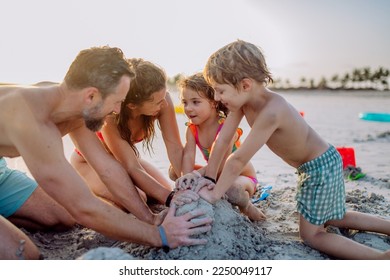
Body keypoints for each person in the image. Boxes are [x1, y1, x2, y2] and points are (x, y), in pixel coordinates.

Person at [177, 40, 390, 260]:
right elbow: (223, 140)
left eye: (220, 91)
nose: (217, 98)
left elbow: (238, 159)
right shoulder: (242, 102)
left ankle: (380, 259)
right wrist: (210, 177)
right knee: (333, 217)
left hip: (319, 168)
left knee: (312, 235)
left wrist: (214, 194)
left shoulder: (272, 111)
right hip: (319, 164)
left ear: (245, 85)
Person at [0, 46, 211, 260]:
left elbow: (107, 169)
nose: (118, 111)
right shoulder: (31, 119)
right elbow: (84, 206)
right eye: (117, 102)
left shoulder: (72, 105)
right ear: (91, 95)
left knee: (63, 217)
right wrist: (160, 236)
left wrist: (150, 218)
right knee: (24, 255)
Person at [70, 58, 183, 213]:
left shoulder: (163, 100)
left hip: (124, 161)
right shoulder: (111, 115)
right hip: (90, 164)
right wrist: (171, 198)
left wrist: (186, 182)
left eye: (164, 97)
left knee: (163, 190)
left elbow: (175, 147)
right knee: (139, 199)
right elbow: (132, 167)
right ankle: (84, 195)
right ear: (131, 105)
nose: (164, 104)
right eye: (157, 102)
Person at [177, 73, 265, 221]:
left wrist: (197, 174)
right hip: (214, 174)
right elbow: (188, 155)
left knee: (233, 190)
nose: (188, 108)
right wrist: (186, 179)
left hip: (240, 176)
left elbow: (224, 163)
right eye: (185, 102)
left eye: (195, 102)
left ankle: (247, 207)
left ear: (213, 102)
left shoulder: (225, 127)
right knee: (175, 171)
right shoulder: (192, 129)